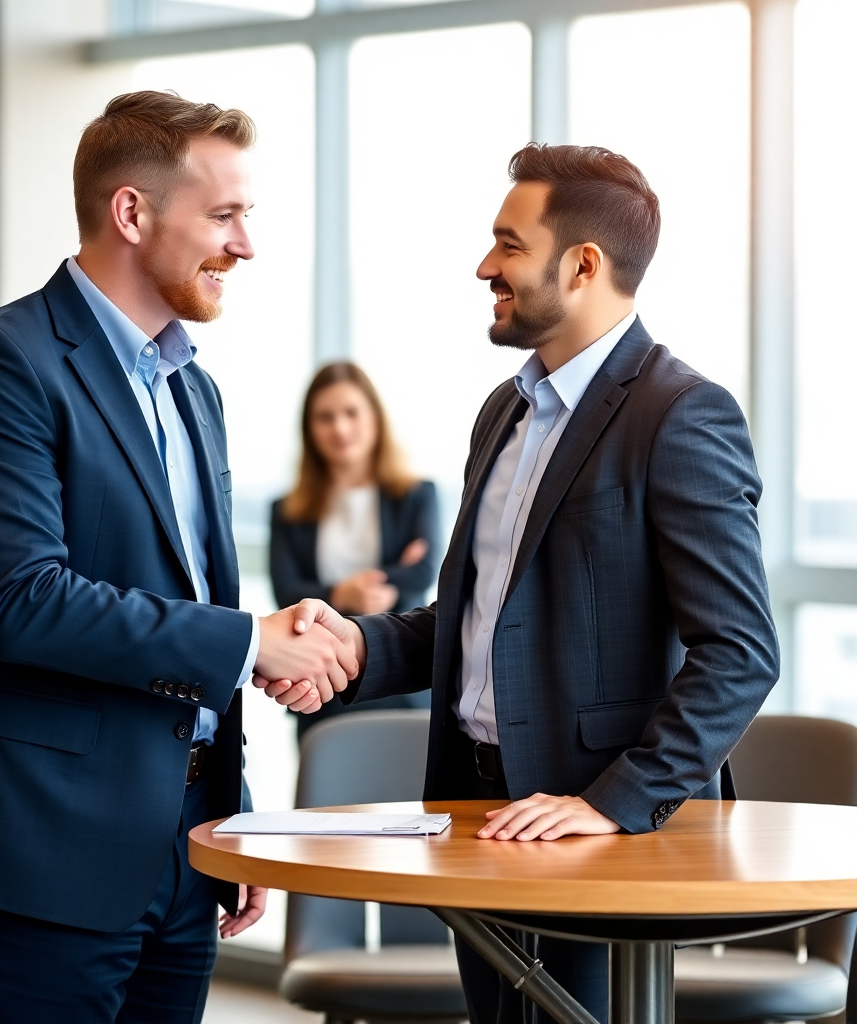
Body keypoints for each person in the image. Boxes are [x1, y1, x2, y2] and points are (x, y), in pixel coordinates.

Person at [257, 143, 779, 1024]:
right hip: (474, 805)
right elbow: (478, 617)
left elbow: (741, 652)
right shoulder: (505, 410)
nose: (484, 266)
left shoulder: (680, 413)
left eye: (508, 243)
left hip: (595, 829)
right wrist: (353, 646)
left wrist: (611, 804)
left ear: (582, 264)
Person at [0, 90, 355, 1024]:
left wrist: (229, 808)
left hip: (184, 847)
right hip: (41, 850)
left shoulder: (196, 390)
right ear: (132, 213)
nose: (246, 245)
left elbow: (181, 597)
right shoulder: (0, 364)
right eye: (223, 216)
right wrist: (251, 640)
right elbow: (25, 600)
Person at [269, 361, 439, 738]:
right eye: (325, 418)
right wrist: (346, 592)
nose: (340, 428)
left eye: (351, 413)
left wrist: (329, 591)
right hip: (321, 689)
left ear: (374, 419)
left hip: (404, 691)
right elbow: (286, 590)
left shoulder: (415, 495)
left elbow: (424, 571)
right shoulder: (288, 510)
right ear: (310, 430)